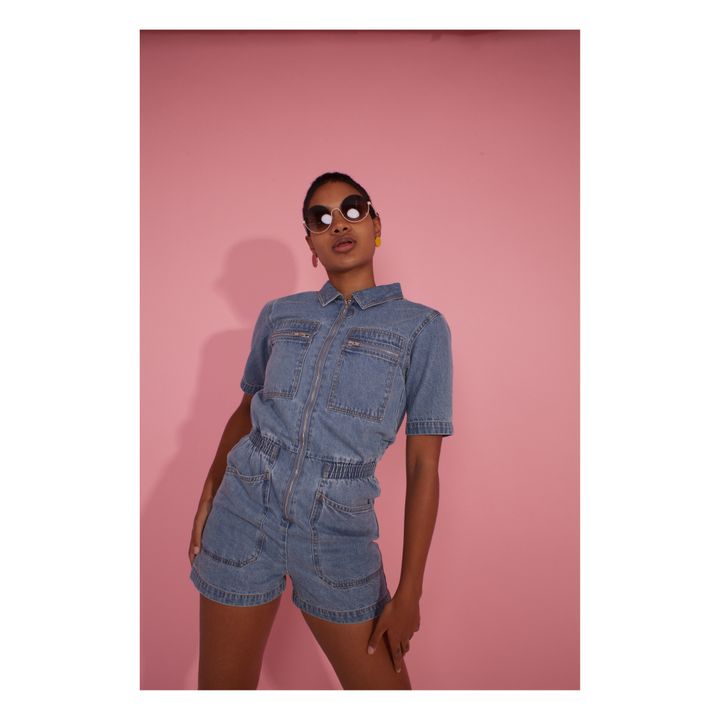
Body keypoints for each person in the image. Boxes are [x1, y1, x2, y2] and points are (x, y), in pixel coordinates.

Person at [188, 171, 454, 690]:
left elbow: (424, 465)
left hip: (338, 533)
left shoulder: (422, 328)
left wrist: (410, 592)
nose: (338, 224)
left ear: (376, 225)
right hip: (242, 514)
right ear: (310, 244)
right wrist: (209, 493)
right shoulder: (280, 315)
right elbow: (246, 411)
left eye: (353, 209)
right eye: (321, 218)